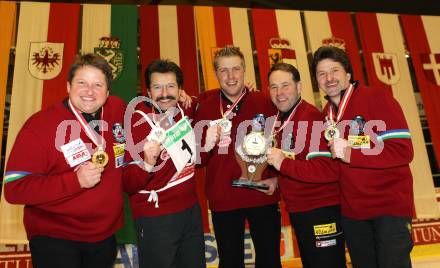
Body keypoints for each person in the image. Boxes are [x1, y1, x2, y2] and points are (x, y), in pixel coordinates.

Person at [4, 53, 127, 268]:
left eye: (97, 85)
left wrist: (181, 98)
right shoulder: (39, 126)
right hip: (56, 236)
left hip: (104, 235)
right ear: (68, 86)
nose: (90, 91)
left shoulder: (117, 110)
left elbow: (149, 112)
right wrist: (74, 181)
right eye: (82, 83)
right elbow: (14, 188)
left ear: (107, 93)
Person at [123, 59, 218, 268]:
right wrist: (147, 164)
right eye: (157, 87)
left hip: (191, 212)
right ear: (148, 92)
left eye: (171, 86)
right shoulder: (138, 122)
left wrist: (206, 147)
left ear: (180, 89)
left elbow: (188, 162)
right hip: (156, 218)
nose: (164, 93)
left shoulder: (181, 113)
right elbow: (127, 184)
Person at [193, 45, 282, 268]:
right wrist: (206, 144)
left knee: (270, 260)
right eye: (224, 70)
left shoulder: (266, 102)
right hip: (224, 199)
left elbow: (283, 147)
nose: (231, 76)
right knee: (230, 262)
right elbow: (198, 160)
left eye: (236, 69)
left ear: (244, 71)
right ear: (215, 74)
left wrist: (278, 178)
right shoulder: (205, 107)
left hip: (261, 195)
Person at [266, 63, 346, 268]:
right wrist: (278, 177)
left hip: (320, 211)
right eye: (274, 87)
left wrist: (283, 164)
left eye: (285, 85)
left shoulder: (308, 117)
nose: (279, 93)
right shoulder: (284, 120)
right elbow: (299, 161)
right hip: (302, 210)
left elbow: (327, 169)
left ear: (299, 87)